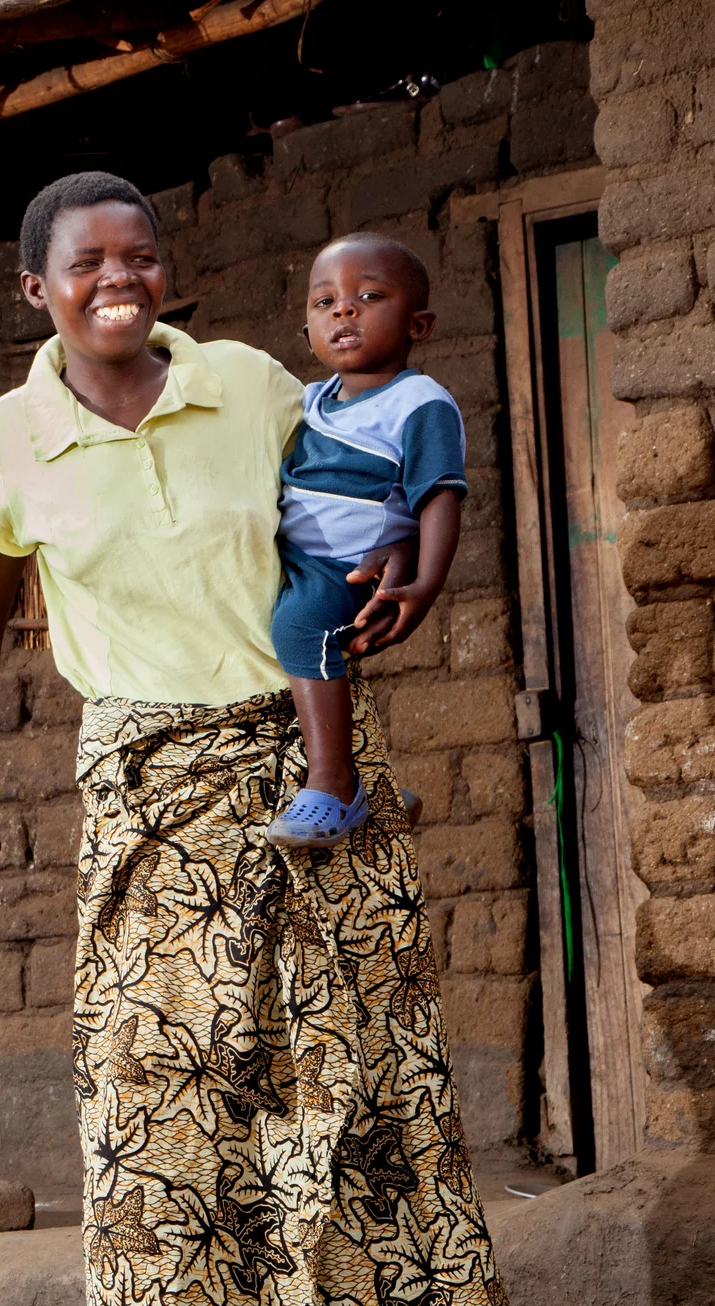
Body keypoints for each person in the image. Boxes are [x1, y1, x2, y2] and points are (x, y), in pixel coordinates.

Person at [0, 173, 513, 1306]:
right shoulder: (12, 440)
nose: (117, 278)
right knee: (162, 1092)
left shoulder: (251, 383)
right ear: (39, 287)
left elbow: (384, 471)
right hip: (145, 779)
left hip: (304, 765)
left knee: (329, 1084)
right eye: (86, 262)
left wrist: (422, 561)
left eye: (139, 255)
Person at [266, 234, 467, 849]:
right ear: (307, 333)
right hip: (294, 555)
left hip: (348, 566)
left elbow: (440, 498)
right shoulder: (306, 402)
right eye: (324, 302)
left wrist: (424, 584)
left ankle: (334, 785)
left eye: (368, 296)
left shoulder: (419, 402)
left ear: (419, 325)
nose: (343, 311)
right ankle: (376, 789)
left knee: (299, 629)